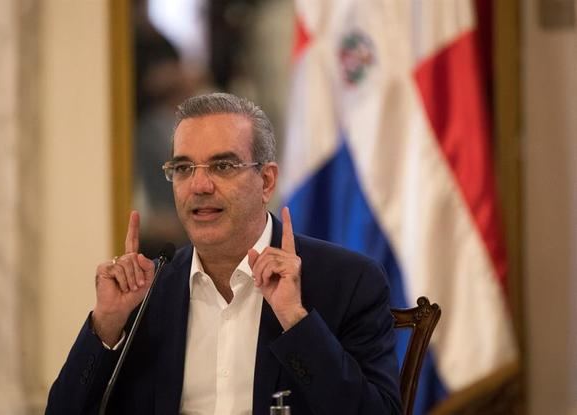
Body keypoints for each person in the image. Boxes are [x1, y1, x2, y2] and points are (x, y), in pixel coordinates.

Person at [45, 92, 401, 414]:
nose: (199, 186)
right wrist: (105, 325)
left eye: (223, 166)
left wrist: (296, 320)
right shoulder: (145, 292)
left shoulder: (347, 281)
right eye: (183, 168)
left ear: (266, 181)